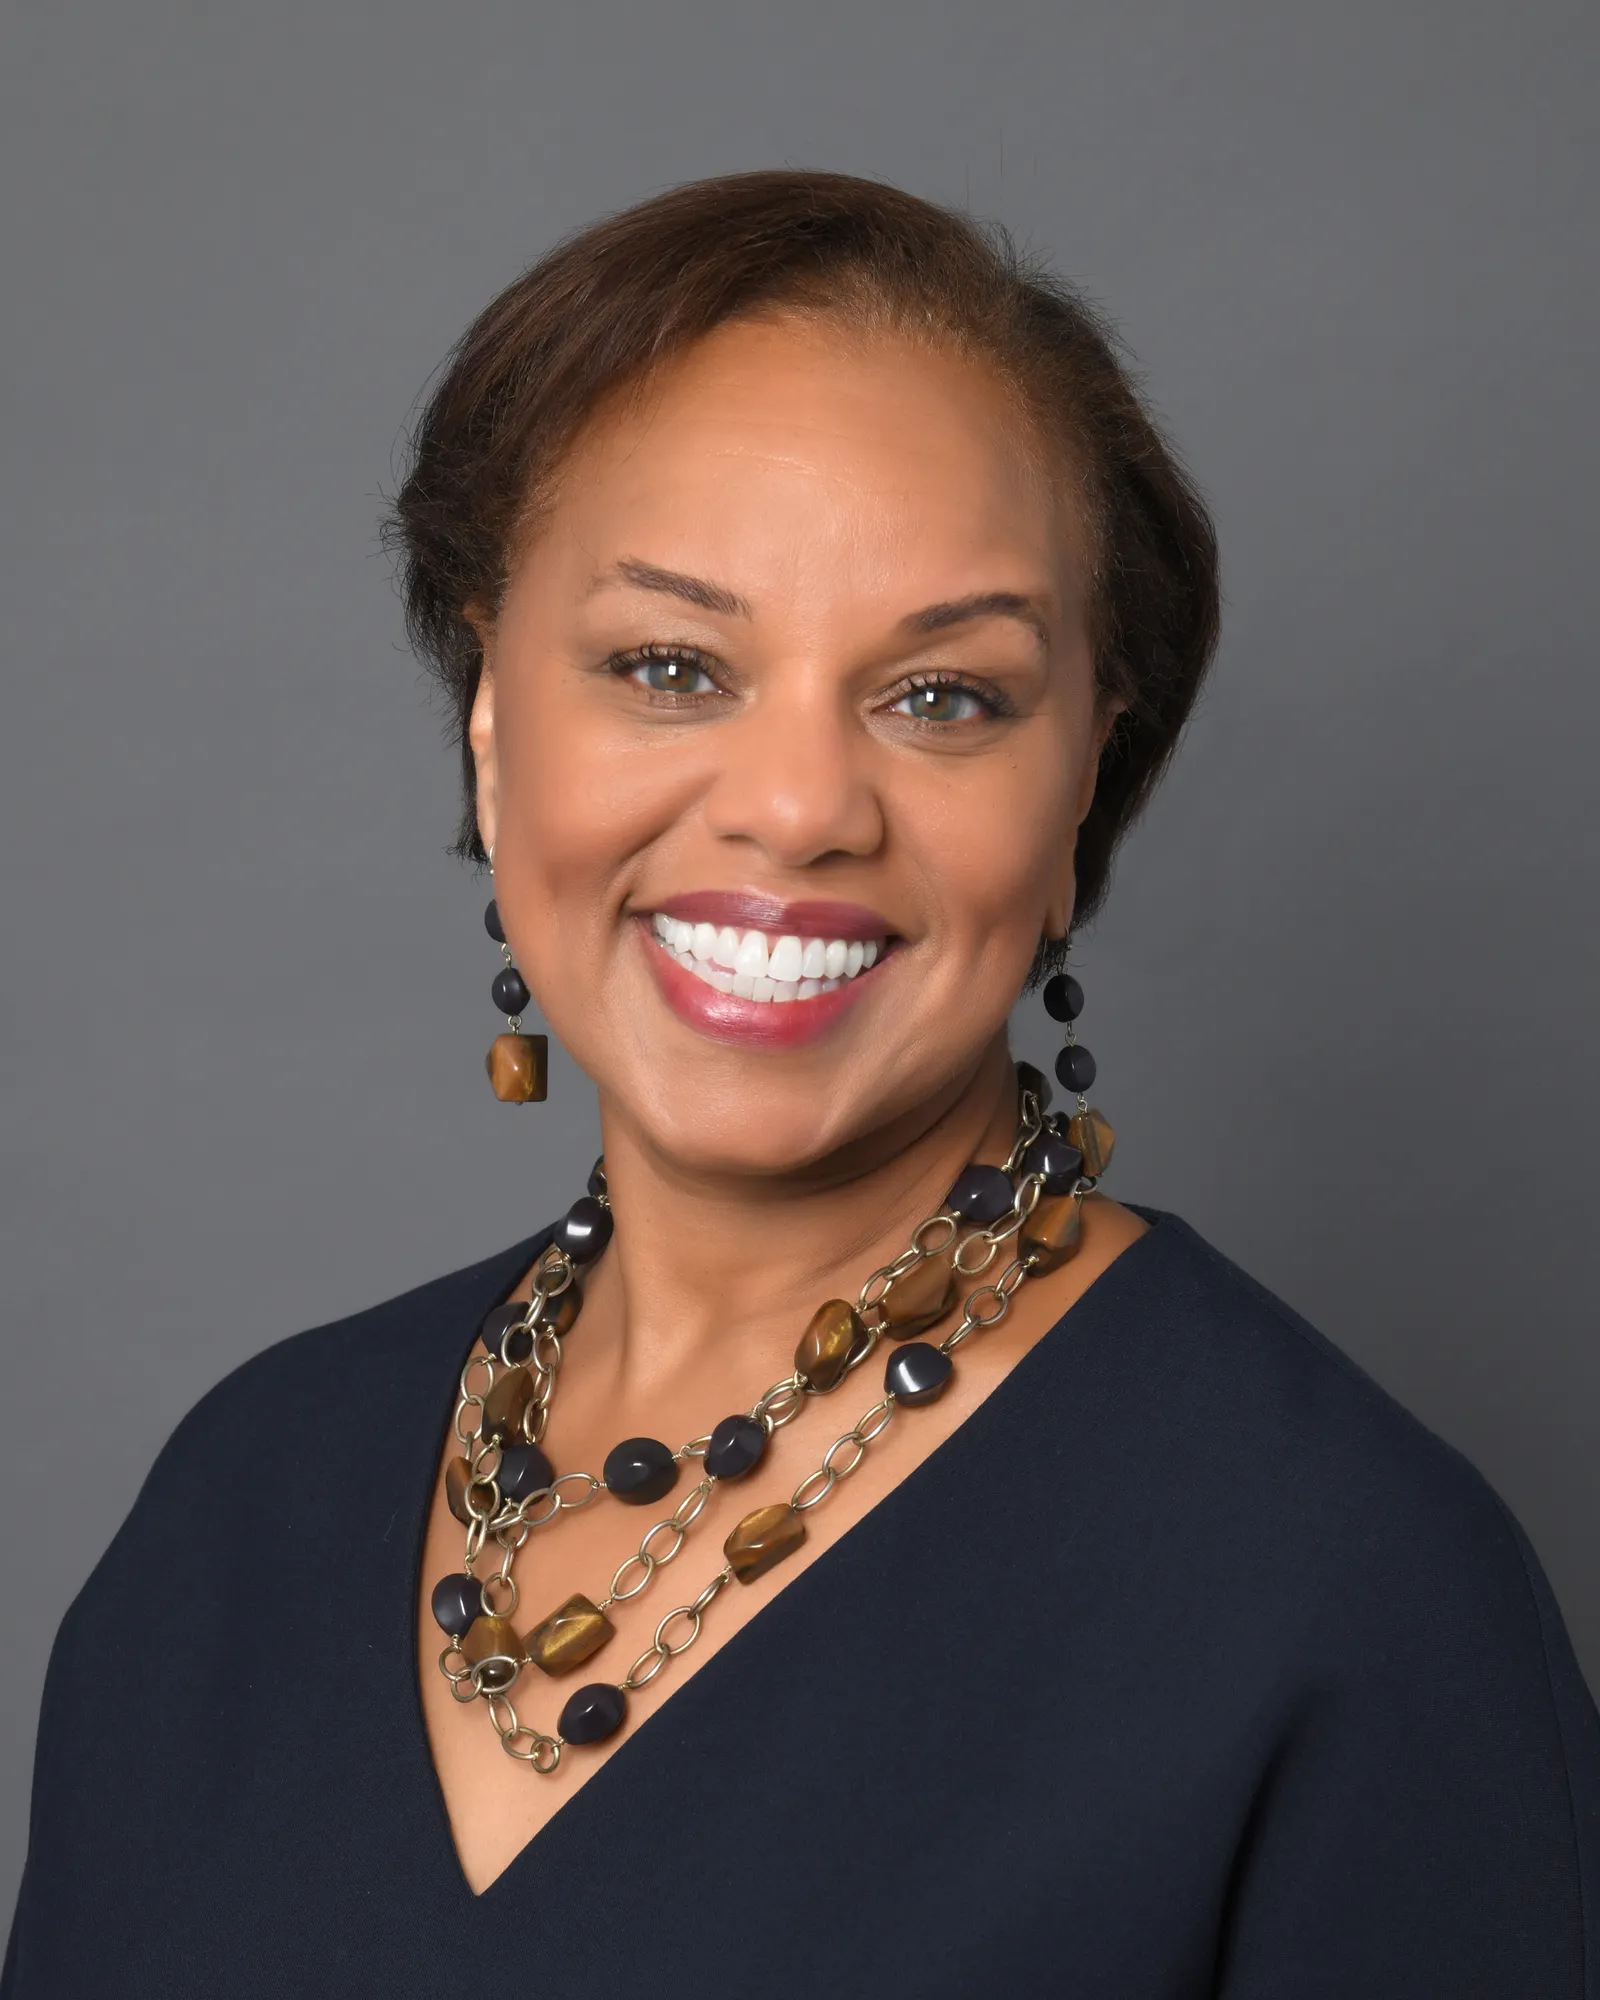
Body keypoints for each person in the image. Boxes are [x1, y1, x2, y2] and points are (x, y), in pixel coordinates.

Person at [5, 170, 1597, 1998]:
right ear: (497, 728)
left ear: (1086, 782)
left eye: (943, 697)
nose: (797, 807)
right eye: (671, 666)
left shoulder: (1343, 1588)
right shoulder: (246, 1506)